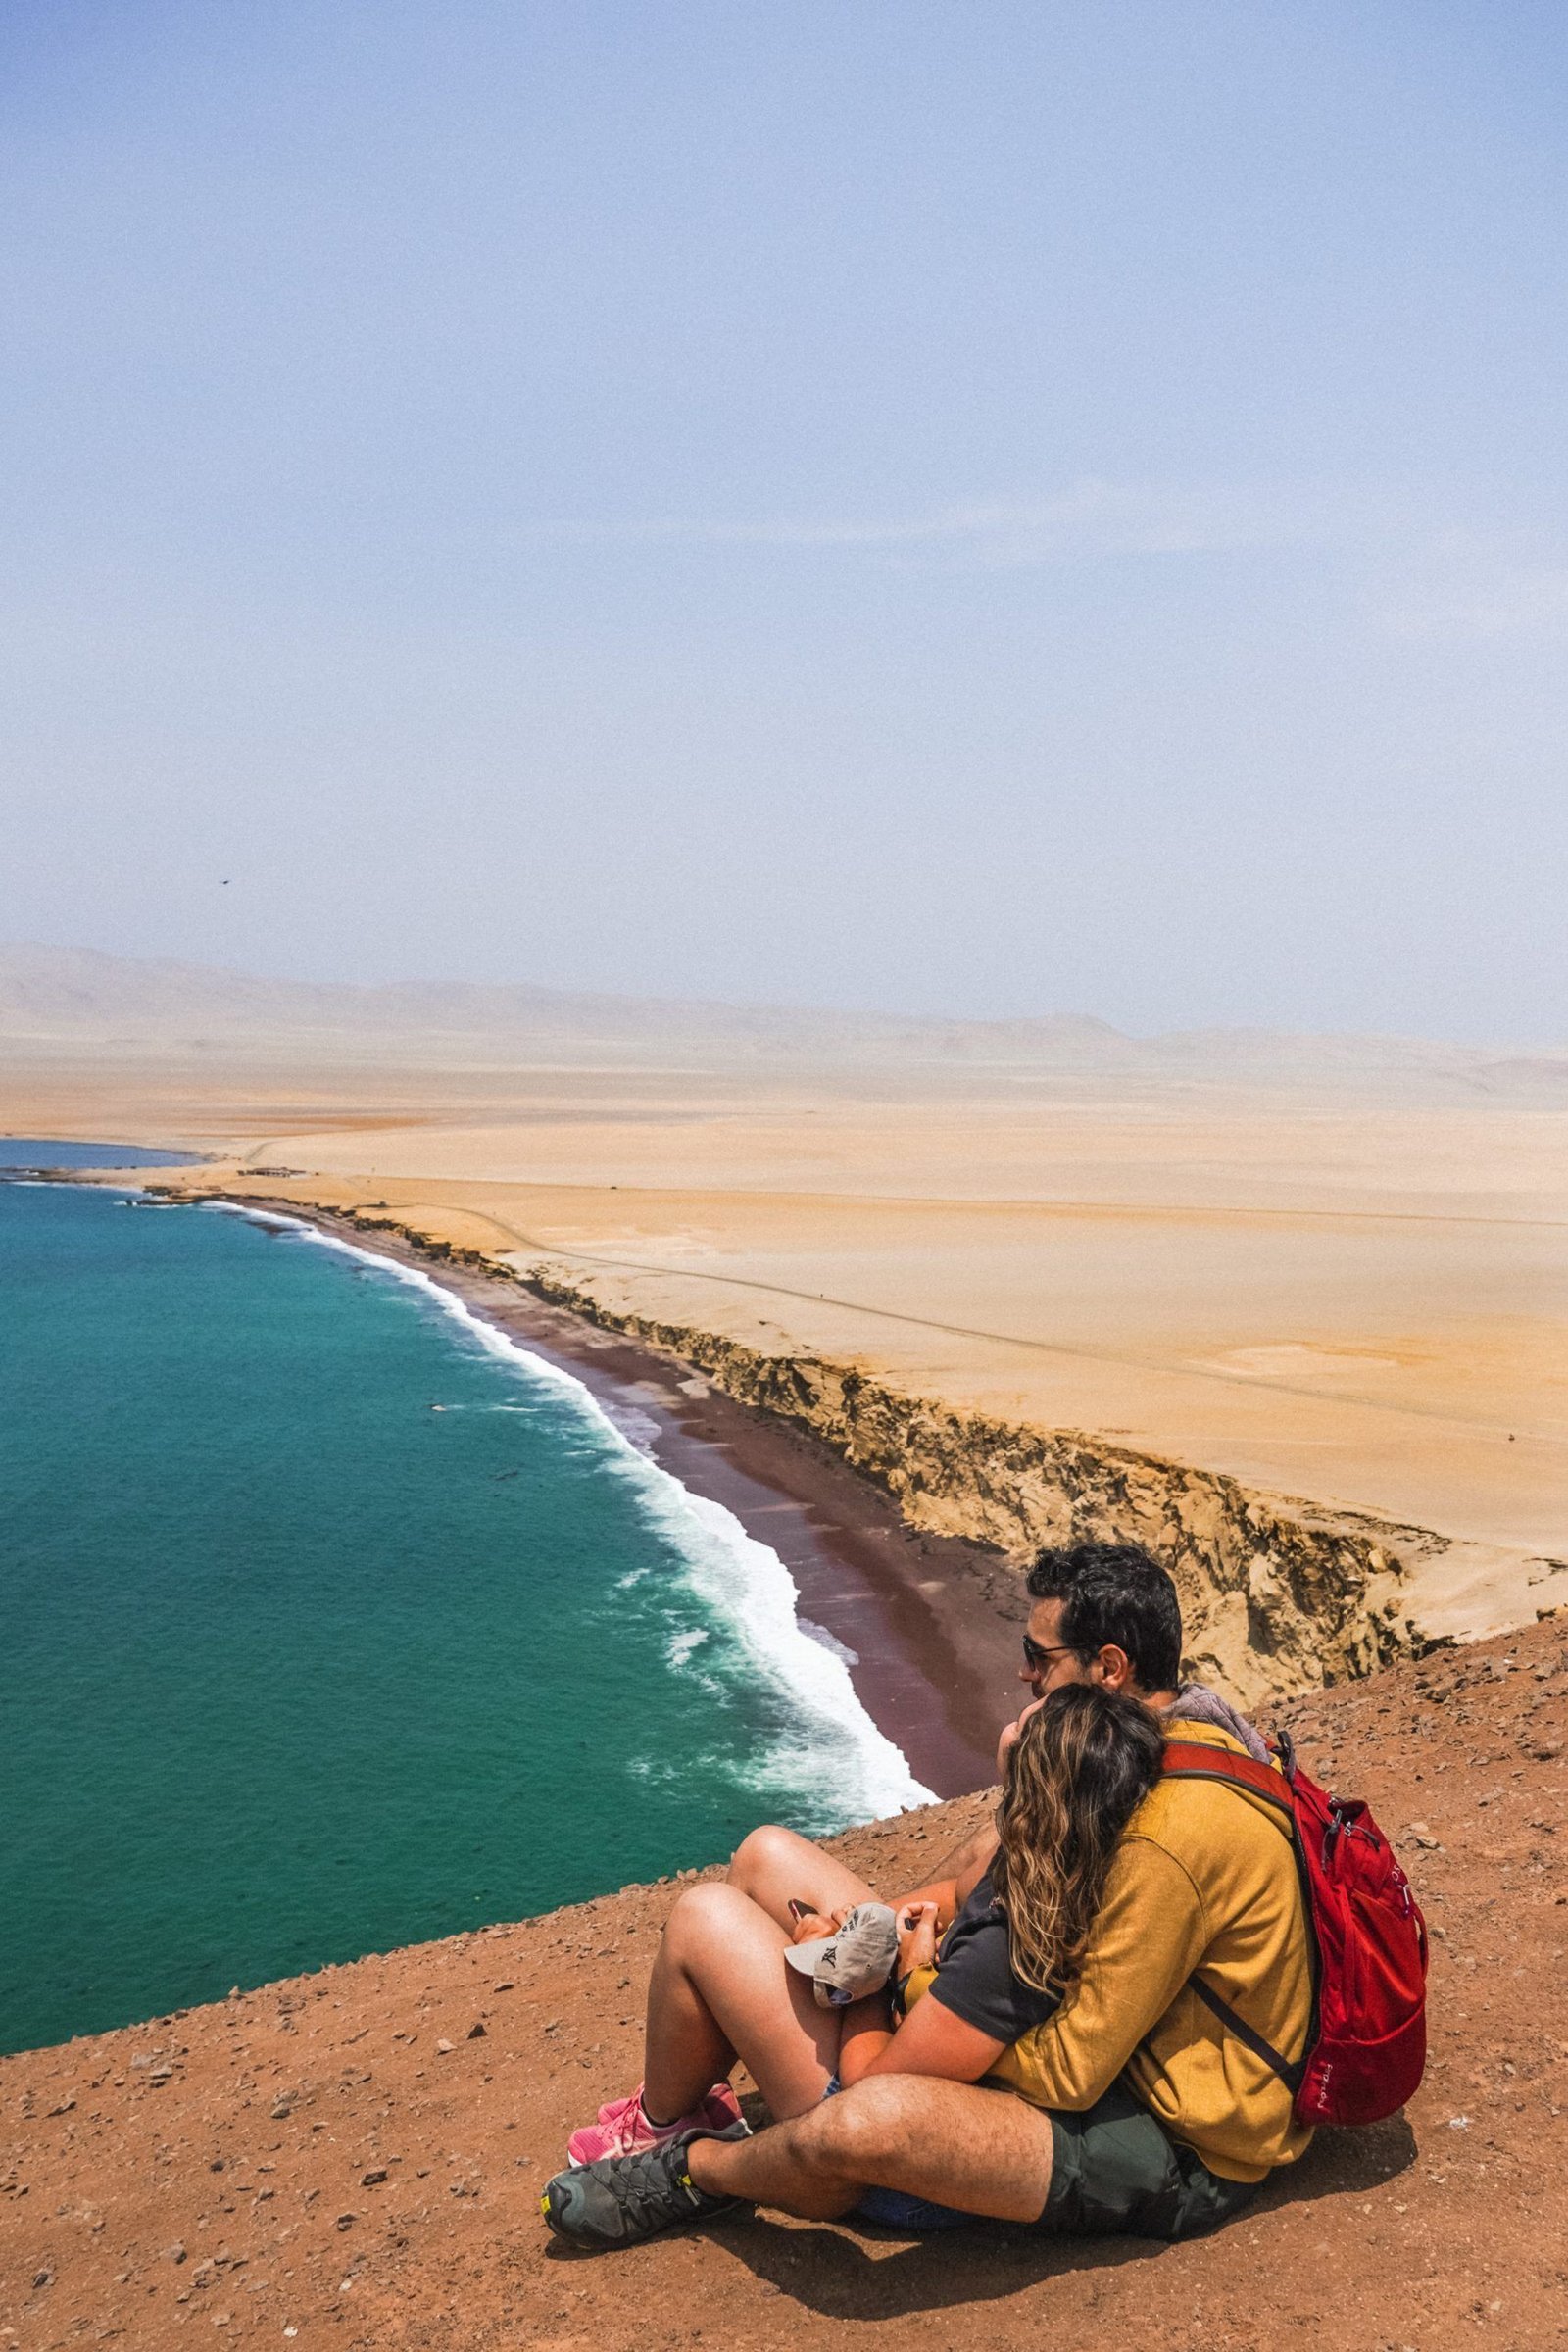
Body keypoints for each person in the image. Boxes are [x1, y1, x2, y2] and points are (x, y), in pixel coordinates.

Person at [543, 1542, 1315, 2248]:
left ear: (1109, 1668)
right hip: (1018, 2015)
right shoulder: (1145, 1748)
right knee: (766, 1856)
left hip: (1162, 2127)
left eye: (1037, 1656)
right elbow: (979, 1873)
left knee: (708, 1923)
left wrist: (904, 1985)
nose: (1024, 1675)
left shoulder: (1161, 1832)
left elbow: (1073, 2068)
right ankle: (690, 2107)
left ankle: (683, 2149)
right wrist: (865, 1932)